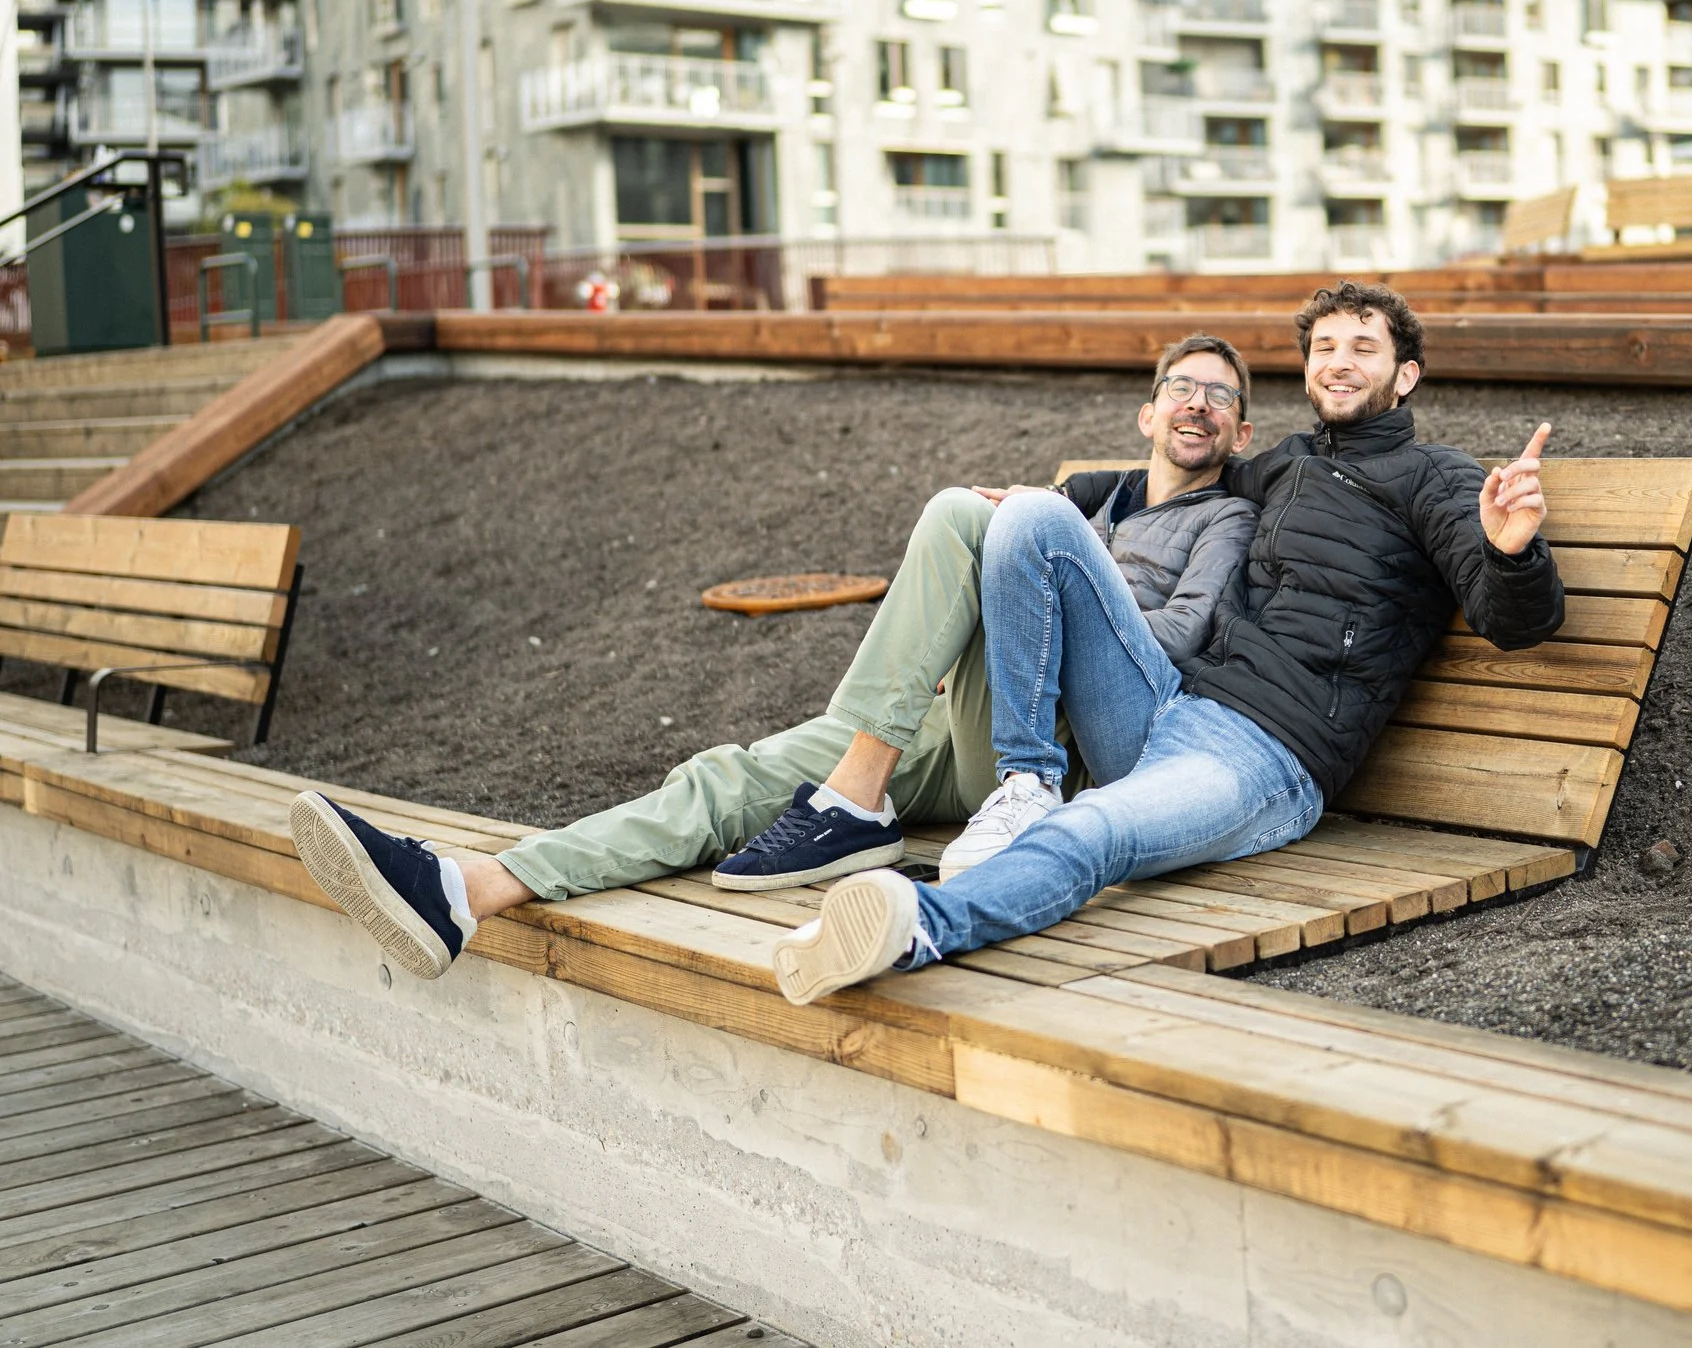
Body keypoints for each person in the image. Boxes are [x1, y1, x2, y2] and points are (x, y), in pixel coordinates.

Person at [288, 337, 1259, 982]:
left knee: (962, 513)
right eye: (1181, 386)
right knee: (729, 779)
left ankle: (853, 803)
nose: (1198, 403)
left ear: (1241, 432)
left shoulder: (1225, 518)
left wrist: (1056, 571)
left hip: (1048, 742)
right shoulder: (1089, 500)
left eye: (1221, 396)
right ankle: (471, 889)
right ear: (1146, 412)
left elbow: (1177, 641)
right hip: (947, 719)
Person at [769, 280, 1562, 1003]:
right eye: (1325, 347)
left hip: (1268, 758)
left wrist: (1511, 547)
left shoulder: (1436, 477)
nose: (1339, 362)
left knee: (1096, 829)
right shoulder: (1287, 465)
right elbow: (1174, 471)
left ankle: (919, 925)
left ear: (1405, 374)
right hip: (1170, 705)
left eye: (1364, 347)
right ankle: (1028, 780)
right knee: (1033, 518)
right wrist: (1059, 496)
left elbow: (1514, 620)